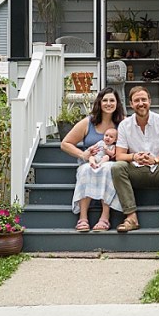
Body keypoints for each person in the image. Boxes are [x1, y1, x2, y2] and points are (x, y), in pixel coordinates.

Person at [112, 85, 159, 233]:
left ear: (150, 101)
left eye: (144, 99)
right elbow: (119, 156)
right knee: (117, 167)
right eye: (137, 100)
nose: (141, 103)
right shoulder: (124, 125)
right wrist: (134, 156)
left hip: (158, 171)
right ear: (131, 104)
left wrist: (155, 160)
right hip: (136, 171)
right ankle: (131, 217)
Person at [60, 87, 126, 232]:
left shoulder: (123, 123)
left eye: (112, 100)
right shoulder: (88, 122)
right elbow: (65, 144)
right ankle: (83, 217)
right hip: (90, 162)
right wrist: (83, 155)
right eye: (105, 100)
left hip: (111, 163)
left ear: (117, 104)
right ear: (99, 103)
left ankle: (105, 217)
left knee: (109, 169)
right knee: (85, 170)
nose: (108, 103)